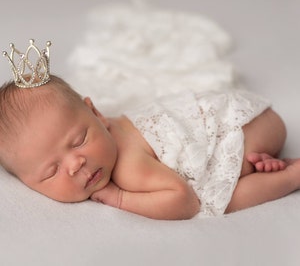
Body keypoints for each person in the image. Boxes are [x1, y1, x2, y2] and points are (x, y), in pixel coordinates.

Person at [0, 74, 299, 220]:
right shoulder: (107, 131)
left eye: (79, 141)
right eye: (52, 171)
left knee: (219, 201)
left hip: (247, 122)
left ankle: (290, 175)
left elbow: (185, 202)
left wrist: (119, 198)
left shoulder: (129, 167)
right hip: (248, 116)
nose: (76, 163)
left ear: (97, 114)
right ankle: (260, 160)